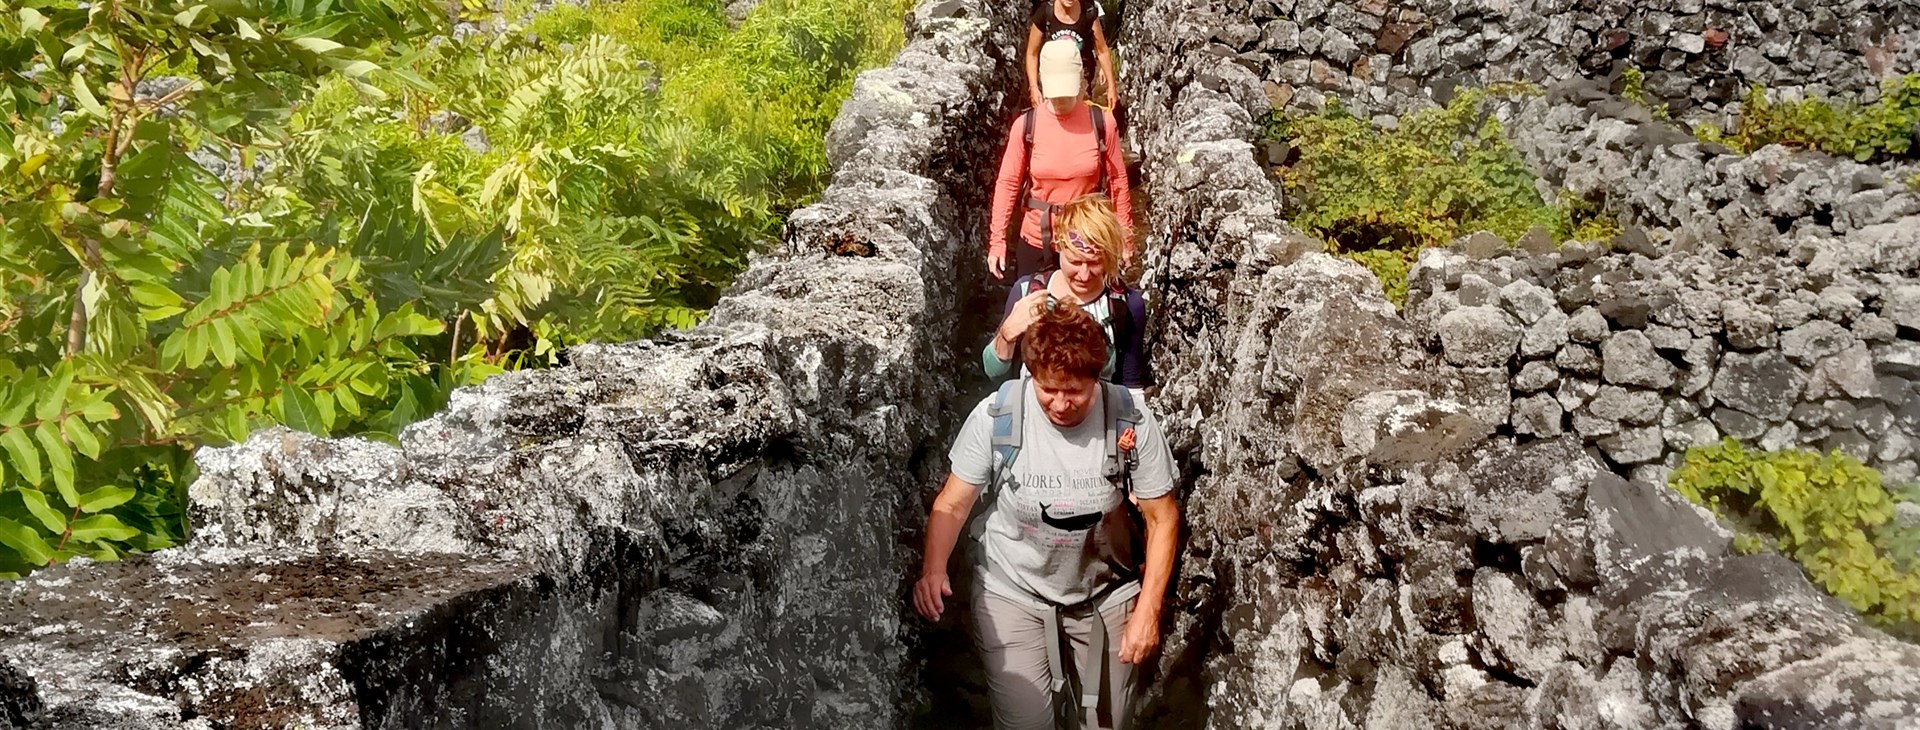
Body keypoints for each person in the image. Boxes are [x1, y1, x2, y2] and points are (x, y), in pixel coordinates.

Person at [914, 303, 1179, 730]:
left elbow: (1161, 518)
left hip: (1106, 592)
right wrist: (933, 569)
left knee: (1107, 722)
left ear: (1097, 378)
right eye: (1047, 389)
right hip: (1013, 590)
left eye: (1074, 391)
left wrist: (1148, 610)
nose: (1060, 404)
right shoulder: (999, 416)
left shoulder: (1131, 419)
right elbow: (953, 503)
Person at [989, 38, 1133, 282]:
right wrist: (997, 241)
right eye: (1055, 92)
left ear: (1080, 81)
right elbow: (1008, 183)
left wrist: (1125, 239)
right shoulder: (1026, 126)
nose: (1061, 100)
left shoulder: (1102, 123)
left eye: (1066, 92)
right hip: (1037, 240)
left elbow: (1118, 182)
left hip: (1087, 243)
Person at [983, 194, 1149, 389]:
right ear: (1059, 246)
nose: (1084, 274)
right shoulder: (1027, 291)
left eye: (1095, 263)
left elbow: (1131, 386)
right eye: (1075, 262)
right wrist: (1006, 334)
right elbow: (992, 371)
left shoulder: (1126, 305)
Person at [1026, 0, 1119, 110]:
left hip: (1081, 81)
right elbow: (1032, 53)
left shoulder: (1088, 13)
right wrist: (1033, 87)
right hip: (1053, 80)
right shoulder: (1045, 13)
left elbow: (1102, 51)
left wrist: (1112, 87)